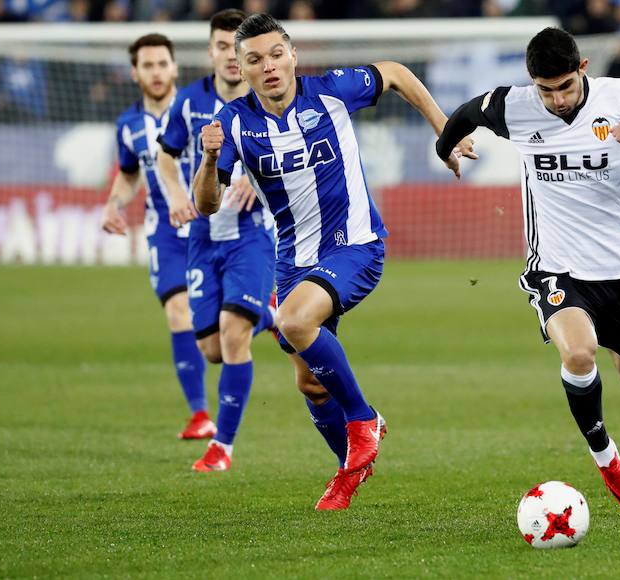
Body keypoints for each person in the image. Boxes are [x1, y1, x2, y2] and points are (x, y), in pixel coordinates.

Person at [192, 13, 474, 509]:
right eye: (255, 60)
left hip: (355, 246)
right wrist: (210, 161)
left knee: (292, 320)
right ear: (240, 68)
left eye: (277, 54)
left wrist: (444, 132)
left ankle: (364, 421)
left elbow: (396, 73)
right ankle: (349, 470)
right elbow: (207, 204)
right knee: (308, 381)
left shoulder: (331, 91)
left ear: (293, 55)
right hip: (294, 262)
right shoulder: (233, 124)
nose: (270, 66)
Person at [435, 27, 620, 518]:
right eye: (545, 90)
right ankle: (606, 458)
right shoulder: (513, 106)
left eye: (564, 86)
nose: (556, 99)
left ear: (583, 69)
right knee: (579, 354)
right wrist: (446, 149)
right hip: (555, 266)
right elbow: (464, 115)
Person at [156, 9, 278, 473]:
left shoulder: (267, 99)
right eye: (223, 47)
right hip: (202, 238)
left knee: (231, 336)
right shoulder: (188, 102)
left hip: (251, 234)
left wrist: (257, 178)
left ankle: (222, 448)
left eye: (238, 48)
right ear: (210, 51)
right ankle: (272, 313)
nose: (231, 56)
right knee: (209, 348)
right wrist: (174, 196)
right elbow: (165, 155)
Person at [100, 34, 212, 442]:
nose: (156, 72)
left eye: (162, 63)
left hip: (211, 225)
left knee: (219, 326)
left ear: (175, 67)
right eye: (147, 65)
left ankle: (267, 316)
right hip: (163, 231)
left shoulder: (200, 109)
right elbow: (129, 174)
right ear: (135, 73)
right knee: (177, 313)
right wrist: (114, 204)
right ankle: (200, 414)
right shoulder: (128, 126)